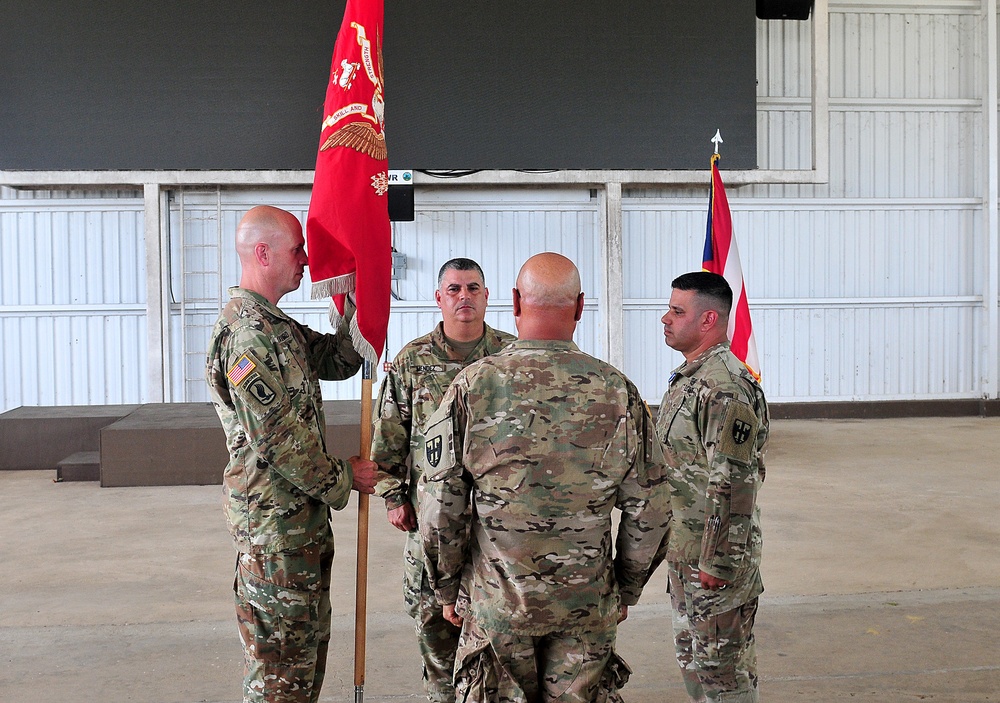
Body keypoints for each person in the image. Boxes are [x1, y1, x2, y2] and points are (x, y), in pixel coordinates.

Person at [417, 252, 672, 703]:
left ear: (514, 302)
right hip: (585, 603)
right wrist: (626, 588)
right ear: (579, 307)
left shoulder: (473, 387)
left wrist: (446, 587)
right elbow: (650, 508)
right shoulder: (618, 391)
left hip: (498, 605)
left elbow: (440, 504)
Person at [205, 205, 378, 703]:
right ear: (263, 253)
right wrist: (343, 478)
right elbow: (276, 438)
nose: (306, 259)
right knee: (280, 679)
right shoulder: (247, 336)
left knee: (300, 671)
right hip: (274, 536)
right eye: (297, 249)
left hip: (298, 527)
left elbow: (340, 359)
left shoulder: (276, 325)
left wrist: (347, 303)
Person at [370, 257, 514, 703]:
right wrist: (395, 496)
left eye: (473, 288)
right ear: (438, 298)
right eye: (454, 289)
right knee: (434, 626)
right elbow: (388, 437)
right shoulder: (413, 361)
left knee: (500, 634)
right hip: (431, 524)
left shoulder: (511, 357)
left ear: (488, 297)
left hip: (498, 525)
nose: (464, 297)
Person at [655, 271, 770, 703]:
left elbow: (733, 482)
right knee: (697, 667)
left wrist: (718, 565)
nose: (665, 318)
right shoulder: (691, 378)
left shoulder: (724, 387)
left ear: (708, 320)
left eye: (676, 311)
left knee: (723, 675)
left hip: (713, 565)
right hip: (687, 553)